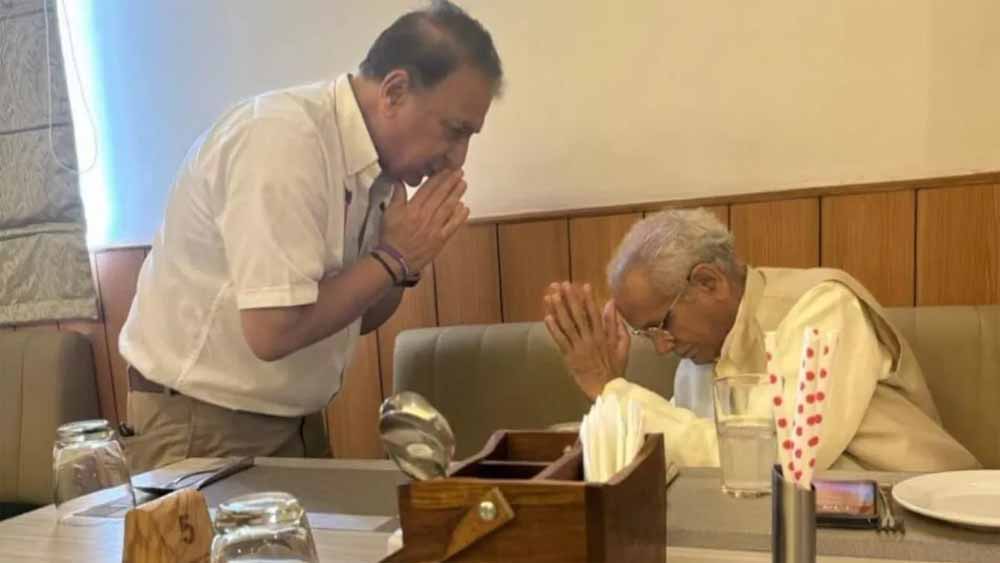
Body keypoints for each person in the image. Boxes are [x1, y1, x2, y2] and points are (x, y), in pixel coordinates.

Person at [119, 1, 503, 472]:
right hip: (203, 422)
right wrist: (393, 257)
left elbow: (358, 316)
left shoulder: (381, 174)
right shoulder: (283, 139)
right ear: (395, 91)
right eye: (455, 131)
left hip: (296, 420)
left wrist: (405, 266)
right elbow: (273, 331)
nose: (458, 158)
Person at [543, 208, 980, 471]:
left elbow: (772, 461)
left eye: (661, 326)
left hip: (921, 521)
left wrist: (612, 391)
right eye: (646, 334)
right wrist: (610, 415)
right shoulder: (697, 357)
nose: (661, 346)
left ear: (709, 283)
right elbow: (687, 451)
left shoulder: (822, 308)